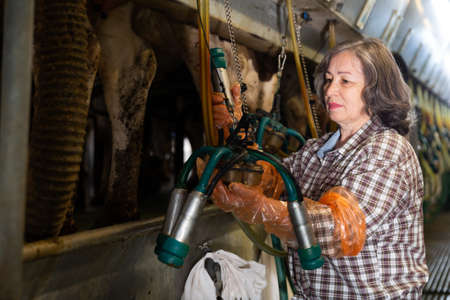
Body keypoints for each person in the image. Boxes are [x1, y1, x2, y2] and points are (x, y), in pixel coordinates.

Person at [208, 38, 429, 299]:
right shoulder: (317, 150)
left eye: (345, 81)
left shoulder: (388, 150)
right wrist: (234, 133)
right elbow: (271, 181)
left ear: (376, 89)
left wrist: (266, 210)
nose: (329, 90)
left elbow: (341, 229)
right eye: (328, 79)